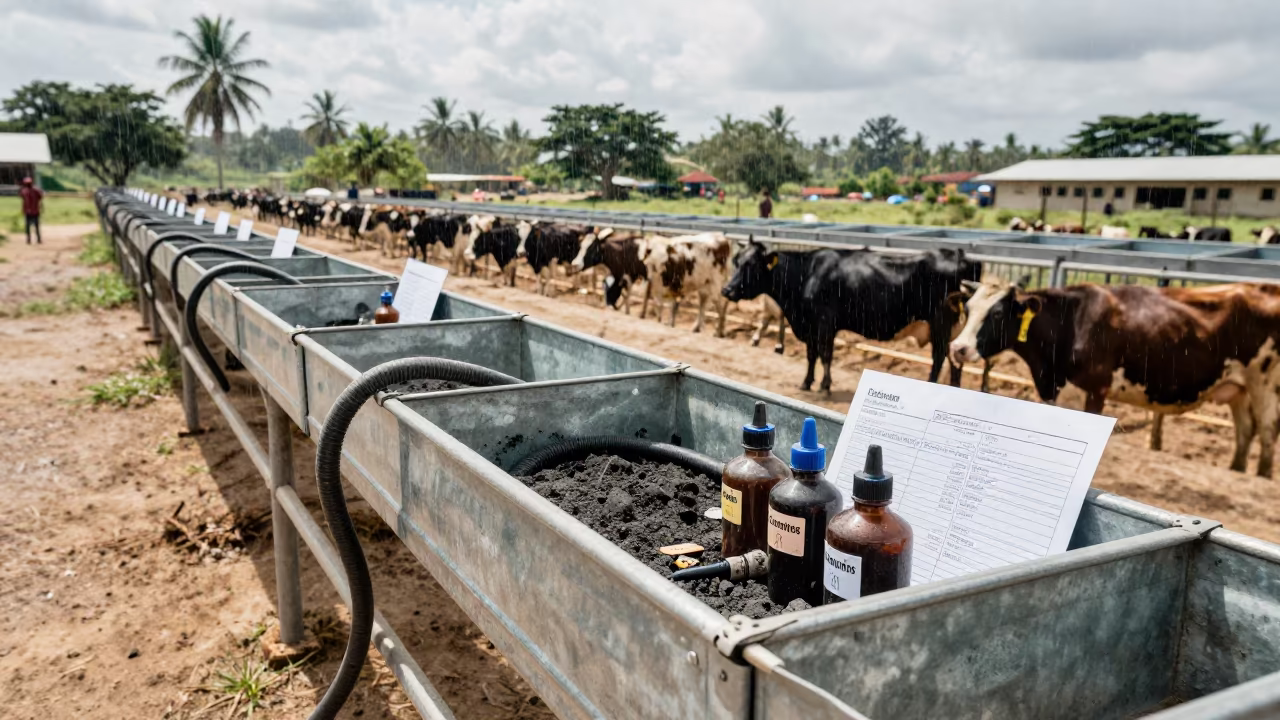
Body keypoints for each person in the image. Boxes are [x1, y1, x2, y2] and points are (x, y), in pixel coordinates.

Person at [20, 177, 43, 245]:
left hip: (31, 211)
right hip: (33, 210)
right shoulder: (35, 190)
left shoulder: (24, 191)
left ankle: (31, 239)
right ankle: (34, 239)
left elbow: (23, 199)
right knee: (34, 226)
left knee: (30, 226)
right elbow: (40, 197)